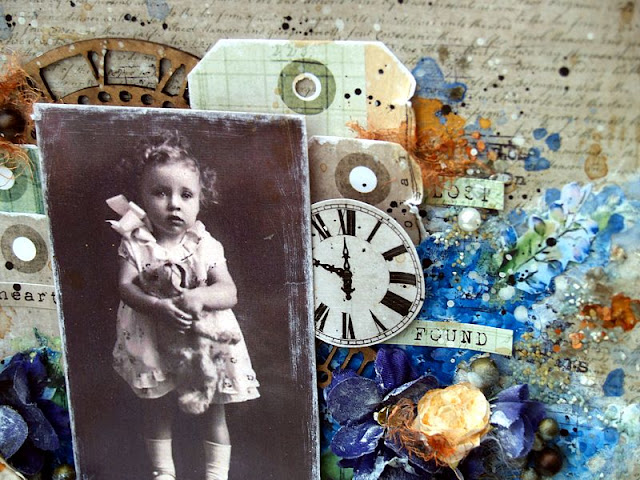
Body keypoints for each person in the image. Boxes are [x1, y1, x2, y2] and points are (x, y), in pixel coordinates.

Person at [109, 132, 260, 480]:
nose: (174, 204)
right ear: (141, 197)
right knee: (157, 407)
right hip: (151, 335)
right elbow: (125, 287)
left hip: (203, 341)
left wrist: (200, 296)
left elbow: (229, 292)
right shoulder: (136, 243)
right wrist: (156, 306)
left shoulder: (205, 244)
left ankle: (216, 474)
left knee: (213, 409)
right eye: (160, 193)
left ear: (200, 200)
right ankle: (163, 473)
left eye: (186, 195)